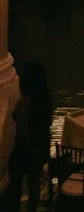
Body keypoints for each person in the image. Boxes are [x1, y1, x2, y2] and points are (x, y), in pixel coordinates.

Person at [7, 62, 52, 211]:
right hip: (37, 150)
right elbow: (47, 122)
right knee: (34, 187)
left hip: (23, 150)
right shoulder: (45, 100)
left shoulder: (24, 102)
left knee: (16, 187)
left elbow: (20, 123)